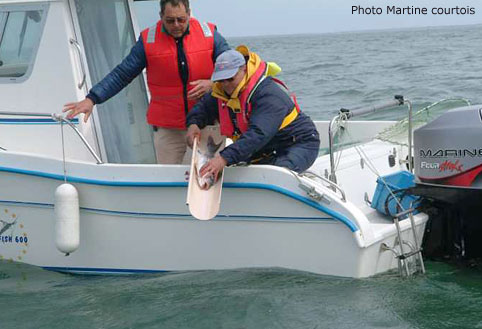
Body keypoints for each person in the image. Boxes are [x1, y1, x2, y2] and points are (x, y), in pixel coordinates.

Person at [63, 0, 230, 164]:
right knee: (168, 183)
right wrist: (92, 98)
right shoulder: (147, 41)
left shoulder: (209, 34)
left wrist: (212, 84)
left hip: (207, 125)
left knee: (203, 181)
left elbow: (233, 68)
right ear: (161, 16)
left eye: (181, 19)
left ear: (189, 13)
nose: (176, 25)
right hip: (168, 130)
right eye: (170, 20)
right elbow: (122, 74)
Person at [186, 47, 320, 181]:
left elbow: (258, 134)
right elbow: (203, 107)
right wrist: (194, 124)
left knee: (275, 177)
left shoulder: (268, 95)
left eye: (230, 79)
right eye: (221, 80)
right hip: (263, 151)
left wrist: (223, 158)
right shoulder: (221, 91)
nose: (226, 85)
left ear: (244, 69)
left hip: (298, 144)